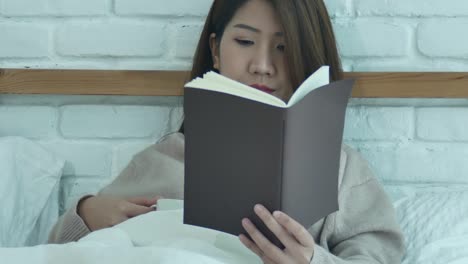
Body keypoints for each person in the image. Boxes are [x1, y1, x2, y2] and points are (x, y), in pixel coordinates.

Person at [48, 0, 405, 263]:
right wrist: (86, 212)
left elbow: (378, 255)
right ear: (216, 51)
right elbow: (66, 249)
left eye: (284, 48)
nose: (263, 66)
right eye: (245, 42)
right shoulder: (166, 154)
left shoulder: (340, 169)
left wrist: (311, 259)